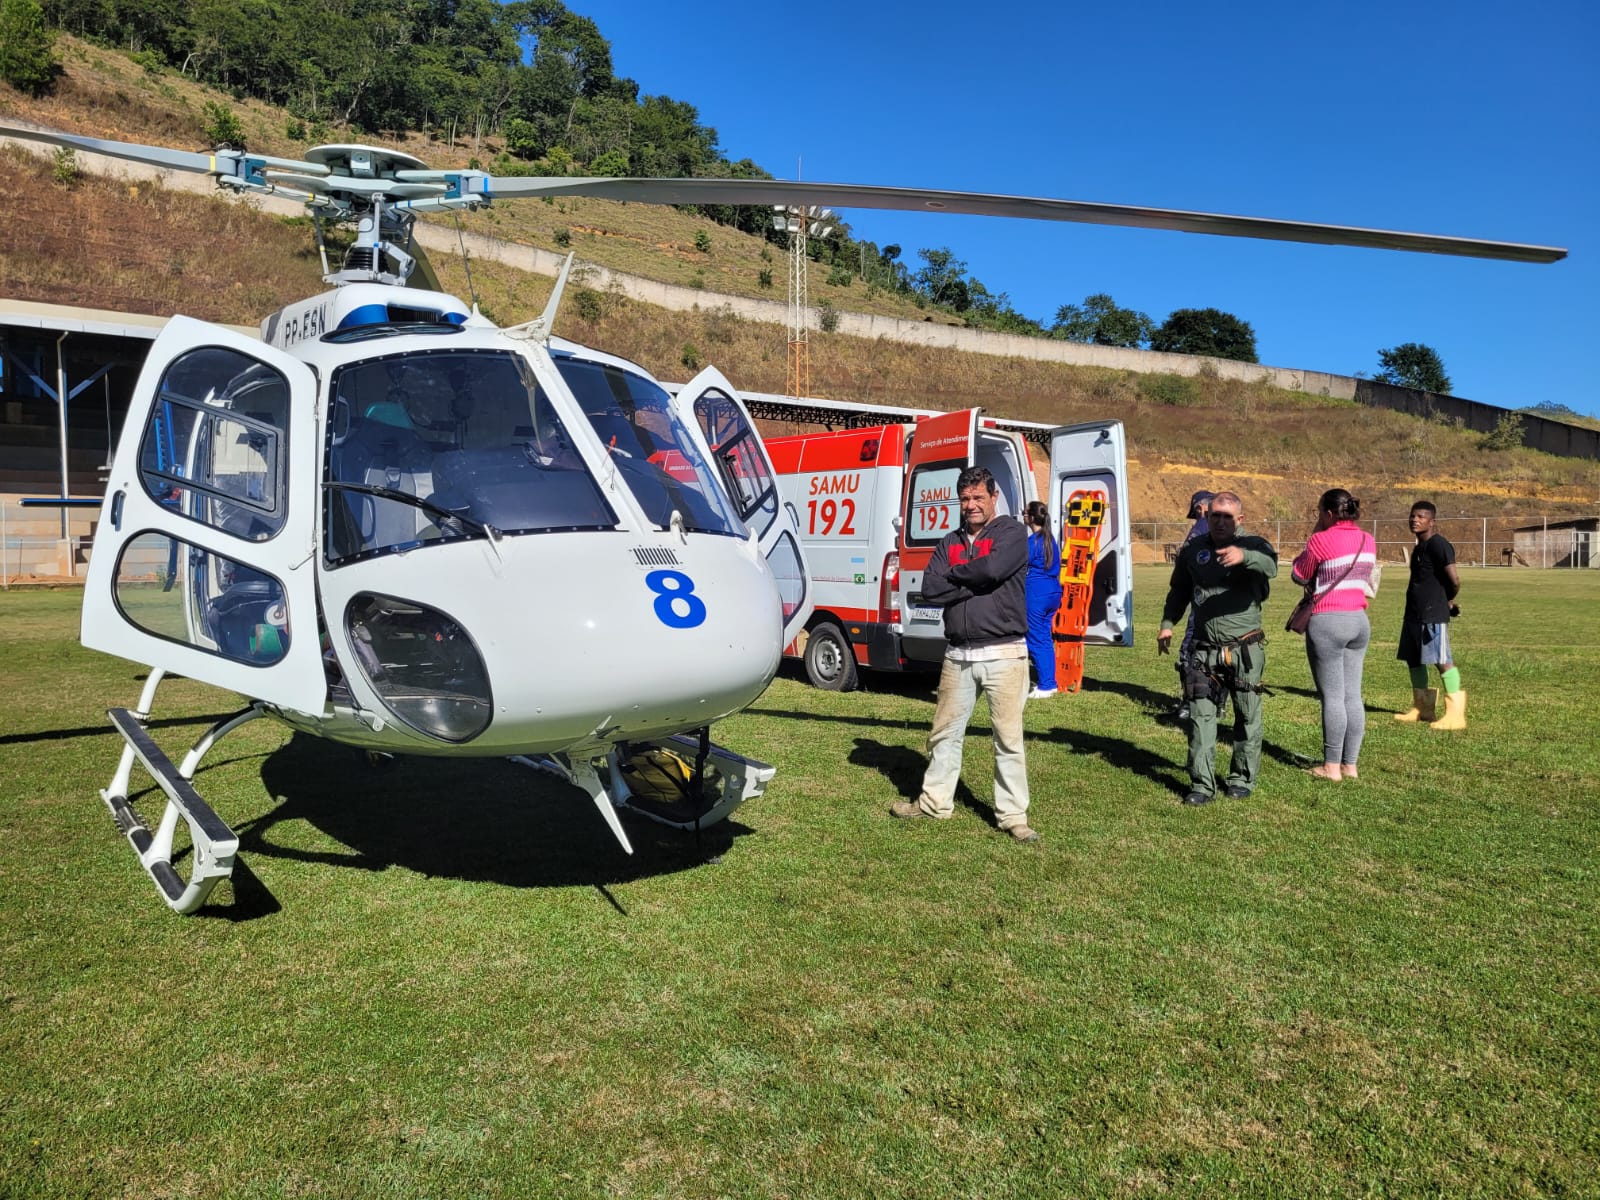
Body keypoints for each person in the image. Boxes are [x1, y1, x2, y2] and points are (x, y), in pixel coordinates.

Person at [891, 466, 1038, 842]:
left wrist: (957, 576)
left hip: (1005, 653)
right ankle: (934, 803)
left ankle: (1013, 817)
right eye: (965, 499)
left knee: (1007, 739)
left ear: (993, 498)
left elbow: (992, 568)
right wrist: (972, 581)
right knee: (944, 734)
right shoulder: (950, 539)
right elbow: (931, 588)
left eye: (978, 498)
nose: (971, 505)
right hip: (957, 654)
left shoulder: (1012, 532)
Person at [1157, 491, 1278, 805]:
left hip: (1245, 649)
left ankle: (1241, 778)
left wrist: (1243, 556)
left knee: (1247, 716)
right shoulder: (1194, 550)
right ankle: (1201, 785)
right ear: (1206, 517)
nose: (1221, 521)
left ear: (1240, 519)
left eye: (1228, 516)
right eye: (1215, 515)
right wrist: (1168, 622)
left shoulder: (1254, 544)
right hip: (1204, 650)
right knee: (1200, 718)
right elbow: (1179, 589)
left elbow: (1270, 565)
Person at [1290, 489, 1379, 781]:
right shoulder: (1368, 539)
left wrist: (1317, 531)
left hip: (1328, 620)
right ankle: (1349, 765)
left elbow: (1299, 575)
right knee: (1353, 696)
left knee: (1332, 696)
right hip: (1358, 621)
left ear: (1328, 514)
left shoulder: (1320, 539)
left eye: (1319, 513)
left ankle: (1330, 766)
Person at [1395, 500, 1466, 730]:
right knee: (1414, 659)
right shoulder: (1418, 548)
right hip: (1413, 614)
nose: (1414, 520)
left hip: (1432, 614)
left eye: (1420, 517)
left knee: (1442, 661)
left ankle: (1455, 715)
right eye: (1412, 516)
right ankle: (1422, 709)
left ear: (1431, 521)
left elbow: (1454, 580)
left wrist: (1447, 601)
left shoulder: (1439, 545)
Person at [1174, 490, 1215, 720]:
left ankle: (1189, 703)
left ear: (1200, 507)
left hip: (1201, 601)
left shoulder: (1201, 526)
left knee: (1191, 650)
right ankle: (1215, 700)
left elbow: (1185, 561)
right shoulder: (1228, 527)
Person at [1022, 500, 1063, 699]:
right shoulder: (1049, 539)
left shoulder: (1032, 542)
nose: (1022, 516)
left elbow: (1018, 564)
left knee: (1036, 638)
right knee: (1045, 638)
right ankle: (1049, 680)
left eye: (1024, 513)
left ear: (1030, 517)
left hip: (1037, 593)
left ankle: (1046, 684)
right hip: (1053, 591)